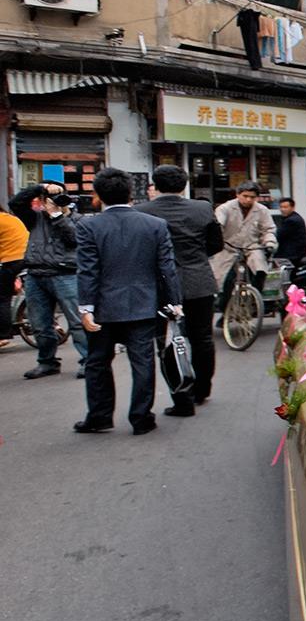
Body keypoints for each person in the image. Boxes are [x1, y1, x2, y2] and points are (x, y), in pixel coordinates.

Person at [74, 167, 182, 436]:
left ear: (98, 194)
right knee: (143, 362)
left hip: (103, 306)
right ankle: (141, 417)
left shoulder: (88, 225)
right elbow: (166, 267)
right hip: (144, 304)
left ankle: (99, 417)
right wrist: (174, 302)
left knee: (97, 362)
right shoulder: (155, 225)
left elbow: (88, 270)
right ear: (130, 193)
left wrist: (85, 308)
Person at [137, 165, 224, 415]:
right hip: (198, 279)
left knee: (166, 341)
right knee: (202, 338)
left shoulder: (142, 211)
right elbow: (215, 244)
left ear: (155, 184)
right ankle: (202, 389)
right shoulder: (202, 208)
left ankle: (181, 394)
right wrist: (196, 258)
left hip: (160, 285)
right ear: (184, 185)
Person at [10, 181, 89, 379]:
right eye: (49, 198)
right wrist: (39, 189)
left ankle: (88, 361)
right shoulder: (34, 219)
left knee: (77, 321)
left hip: (66, 274)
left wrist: (56, 215)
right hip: (36, 274)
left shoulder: (78, 220)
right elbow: (16, 203)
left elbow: (73, 240)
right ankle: (47, 362)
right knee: (39, 323)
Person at [213, 182, 276, 312]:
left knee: (260, 268)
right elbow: (218, 225)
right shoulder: (225, 208)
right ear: (238, 195)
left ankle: (254, 300)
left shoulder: (262, 210)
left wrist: (269, 243)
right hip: (228, 247)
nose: (248, 200)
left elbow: (268, 229)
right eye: (245, 196)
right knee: (226, 280)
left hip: (252, 246)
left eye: (252, 197)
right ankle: (224, 310)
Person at [0, 207, 27, 352]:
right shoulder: (10, 218)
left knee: (2, 297)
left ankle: (3, 335)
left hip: (12, 260)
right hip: (26, 257)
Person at [273, 196, 306, 286]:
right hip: (295, 253)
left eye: (285, 207)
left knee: (286, 276)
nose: (282, 209)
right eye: (281, 207)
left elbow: (279, 235)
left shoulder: (291, 221)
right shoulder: (294, 218)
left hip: (292, 255)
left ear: (292, 207)